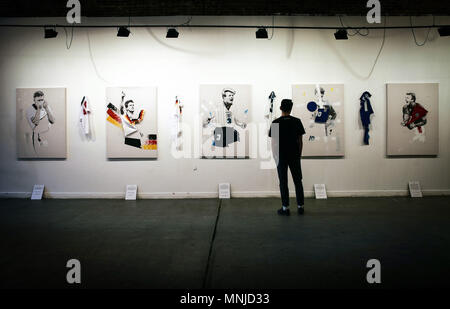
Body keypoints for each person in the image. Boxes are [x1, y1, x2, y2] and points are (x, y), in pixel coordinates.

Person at [269, 99, 306, 216]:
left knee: (283, 182)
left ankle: (285, 208)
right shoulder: (297, 121)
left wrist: (275, 156)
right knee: (298, 181)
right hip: (295, 155)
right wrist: (299, 155)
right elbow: (300, 141)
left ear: (281, 108)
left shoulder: (275, 122)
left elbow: (274, 143)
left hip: (281, 157)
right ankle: (300, 207)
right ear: (291, 108)